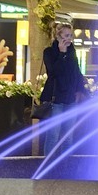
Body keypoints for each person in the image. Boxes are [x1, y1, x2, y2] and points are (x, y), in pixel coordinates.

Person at [38, 23, 87, 156]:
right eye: (66, 35)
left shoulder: (72, 52)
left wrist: (80, 90)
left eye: (71, 35)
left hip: (70, 98)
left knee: (68, 136)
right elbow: (53, 72)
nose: (69, 39)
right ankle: (48, 164)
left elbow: (76, 72)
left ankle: (65, 165)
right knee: (53, 134)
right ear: (58, 36)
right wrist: (61, 53)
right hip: (55, 99)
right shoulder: (49, 52)